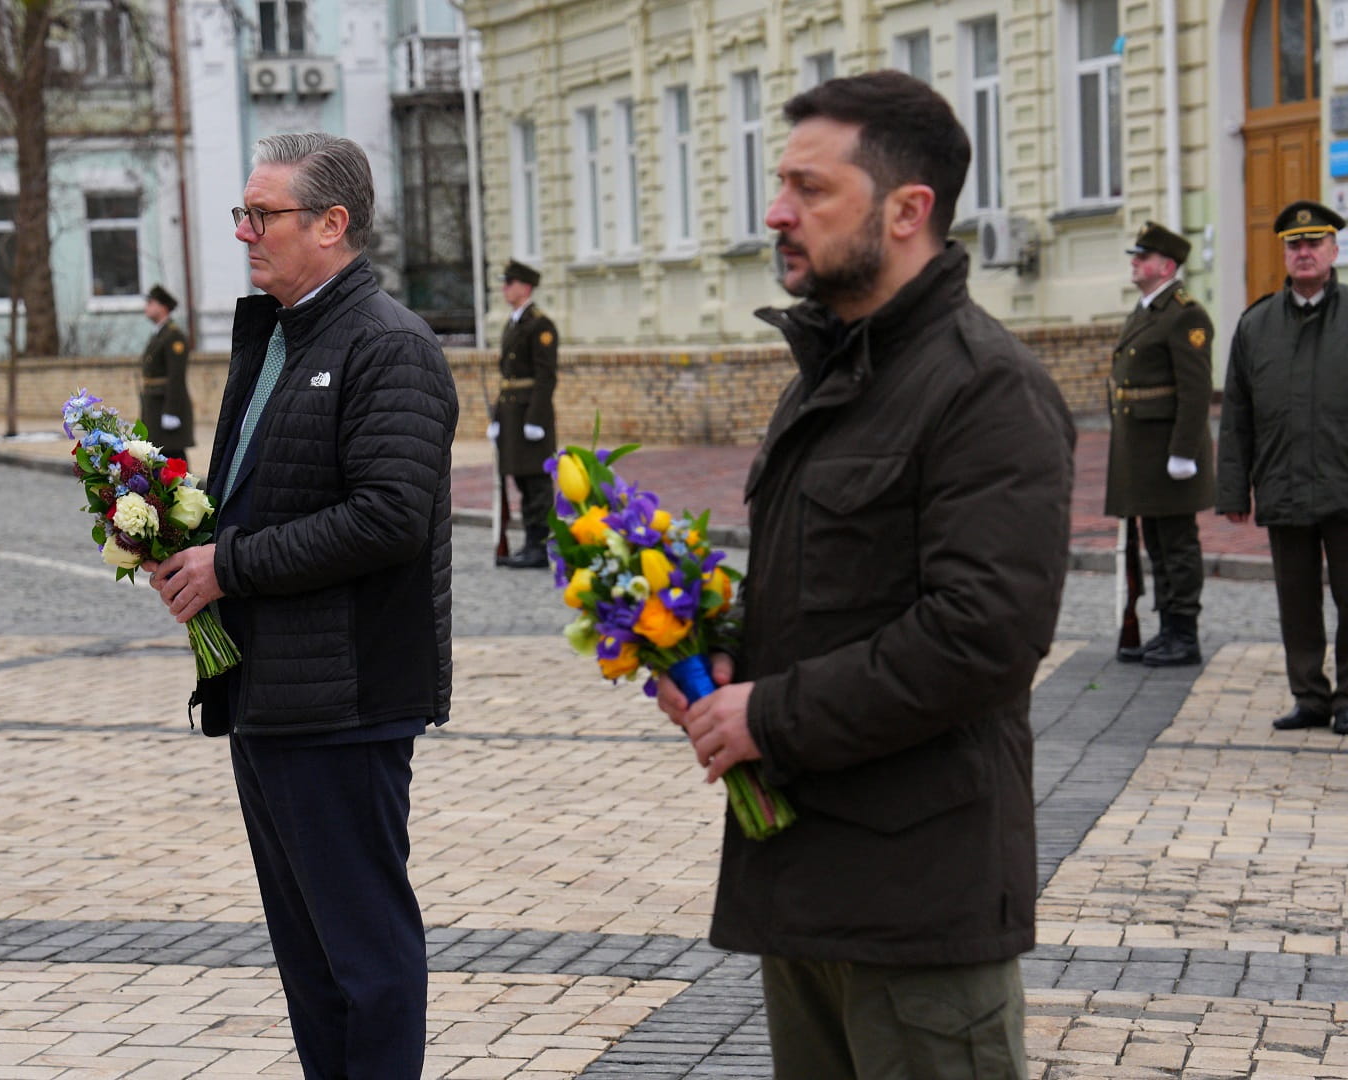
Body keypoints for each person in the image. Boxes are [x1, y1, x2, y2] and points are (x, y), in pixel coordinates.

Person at [651, 72, 1074, 1080]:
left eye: (809, 188)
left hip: (917, 906)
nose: (776, 211)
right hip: (806, 880)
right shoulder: (836, 375)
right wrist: (707, 653)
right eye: (779, 184)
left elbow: (983, 636)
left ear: (908, 209)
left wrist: (769, 716)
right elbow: (823, 595)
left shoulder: (985, 389)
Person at [143, 132, 457, 1080]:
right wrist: (177, 535)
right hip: (271, 691)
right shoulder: (279, 334)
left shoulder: (388, 345)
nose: (245, 232)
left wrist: (228, 566)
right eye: (242, 213)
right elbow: (256, 488)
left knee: (366, 955)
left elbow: (388, 518)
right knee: (311, 962)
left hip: (346, 698)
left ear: (333, 224)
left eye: (262, 215)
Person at [1218, 199, 1348, 734]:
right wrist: (1232, 490)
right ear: (1284, 254)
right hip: (1284, 484)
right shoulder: (1256, 326)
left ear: (1334, 249)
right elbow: (1237, 416)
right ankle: (1310, 697)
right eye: (1294, 245)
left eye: (1314, 242)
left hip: (1346, 486)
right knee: (1296, 602)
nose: (1304, 252)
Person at [1106, 222, 1216, 667]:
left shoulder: (1184, 314)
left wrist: (1184, 452)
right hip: (1143, 454)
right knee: (1156, 542)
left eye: (1143, 257)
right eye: (1135, 255)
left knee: (1179, 544)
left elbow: (1195, 391)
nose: (1134, 262)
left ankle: (1184, 634)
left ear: (1166, 266)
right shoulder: (1146, 311)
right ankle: (1167, 628)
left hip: (1169, 453)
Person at [491, 259, 558, 569]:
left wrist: (535, 419)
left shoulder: (540, 324)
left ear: (525, 287)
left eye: (510, 282)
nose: (505, 287)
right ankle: (530, 541)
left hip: (530, 416)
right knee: (521, 479)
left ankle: (540, 544)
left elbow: (546, 377)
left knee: (537, 484)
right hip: (512, 415)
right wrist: (497, 418)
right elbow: (507, 376)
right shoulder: (514, 322)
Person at [139, 283, 194, 459]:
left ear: (163, 307)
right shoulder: (159, 334)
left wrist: (171, 411)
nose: (146, 307)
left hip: (165, 405)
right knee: (159, 458)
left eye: (151, 303)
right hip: (155, 406)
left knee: (174, 456)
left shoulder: (173, 335)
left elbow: (176, 376)